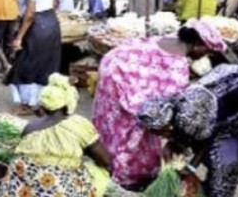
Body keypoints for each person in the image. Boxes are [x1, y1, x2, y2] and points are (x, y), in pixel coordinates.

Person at [92, 20, 226, 189]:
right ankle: (124, 179)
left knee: (113, 125)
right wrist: (176, 140)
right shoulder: (177, 68)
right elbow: (159, 114)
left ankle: (107, 164)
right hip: (118, 76)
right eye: (207, 51)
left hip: (112, 67)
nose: (206, 56)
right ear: (198, 44)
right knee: (129, 129)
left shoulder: (169, 40)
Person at [140, 64, 238, 197]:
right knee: (215, 162)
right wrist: (173, 144)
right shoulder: (177, 111)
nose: (158, 136)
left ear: (167, 125)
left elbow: (206, 141)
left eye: (157, 131)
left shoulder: (189, 118)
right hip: (222, 103)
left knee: (222, 171)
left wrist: (191, 167)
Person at [0, 73, 112, 197]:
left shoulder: (30, 127)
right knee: (96, 171)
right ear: (68, 103)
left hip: (21, 189)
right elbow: (105, 161)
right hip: (57, 190)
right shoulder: (77, 125)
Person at [9, 0, 61, 115]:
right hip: (51, 23)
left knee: (27, 63)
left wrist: (19, 36)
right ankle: (41, 101)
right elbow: (53, 4)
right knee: (45, 64)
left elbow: (30, 13)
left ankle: (27, 103)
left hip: (37, 25)